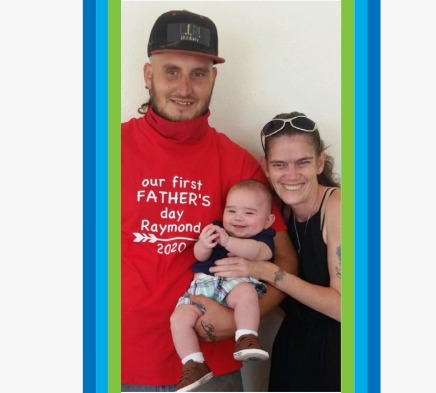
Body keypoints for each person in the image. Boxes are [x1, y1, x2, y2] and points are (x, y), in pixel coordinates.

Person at [120, 10, 297, 392]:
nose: (184, 87)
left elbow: (285, 262)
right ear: (148, 74)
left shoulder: (237, 162)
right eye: (171, 71)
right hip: (120, 362)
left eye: (198, 73)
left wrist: (242, 320)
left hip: (212, 368)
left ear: (213, 78)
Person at [210, 111, 342, 391]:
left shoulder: (340, 206)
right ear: (266, 168)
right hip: (293, 347)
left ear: (320, 162)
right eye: (280, 164)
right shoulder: (275, 214)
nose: (291, 175)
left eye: (302, 162)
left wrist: (267, 271)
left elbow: (348, 309)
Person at [171, 179, 275, 392]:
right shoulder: (216, 228)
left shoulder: (263, 237)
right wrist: (203, 245)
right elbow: (198, 256)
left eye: (249, 213)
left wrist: (228, 242)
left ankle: (246, 337)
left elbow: (258, 252)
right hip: (201, 286)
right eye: (232, 210)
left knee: (247, 294)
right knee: (178, 318)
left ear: (268, 220)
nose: (238, 217)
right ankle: (193, 363)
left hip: (234, 285)